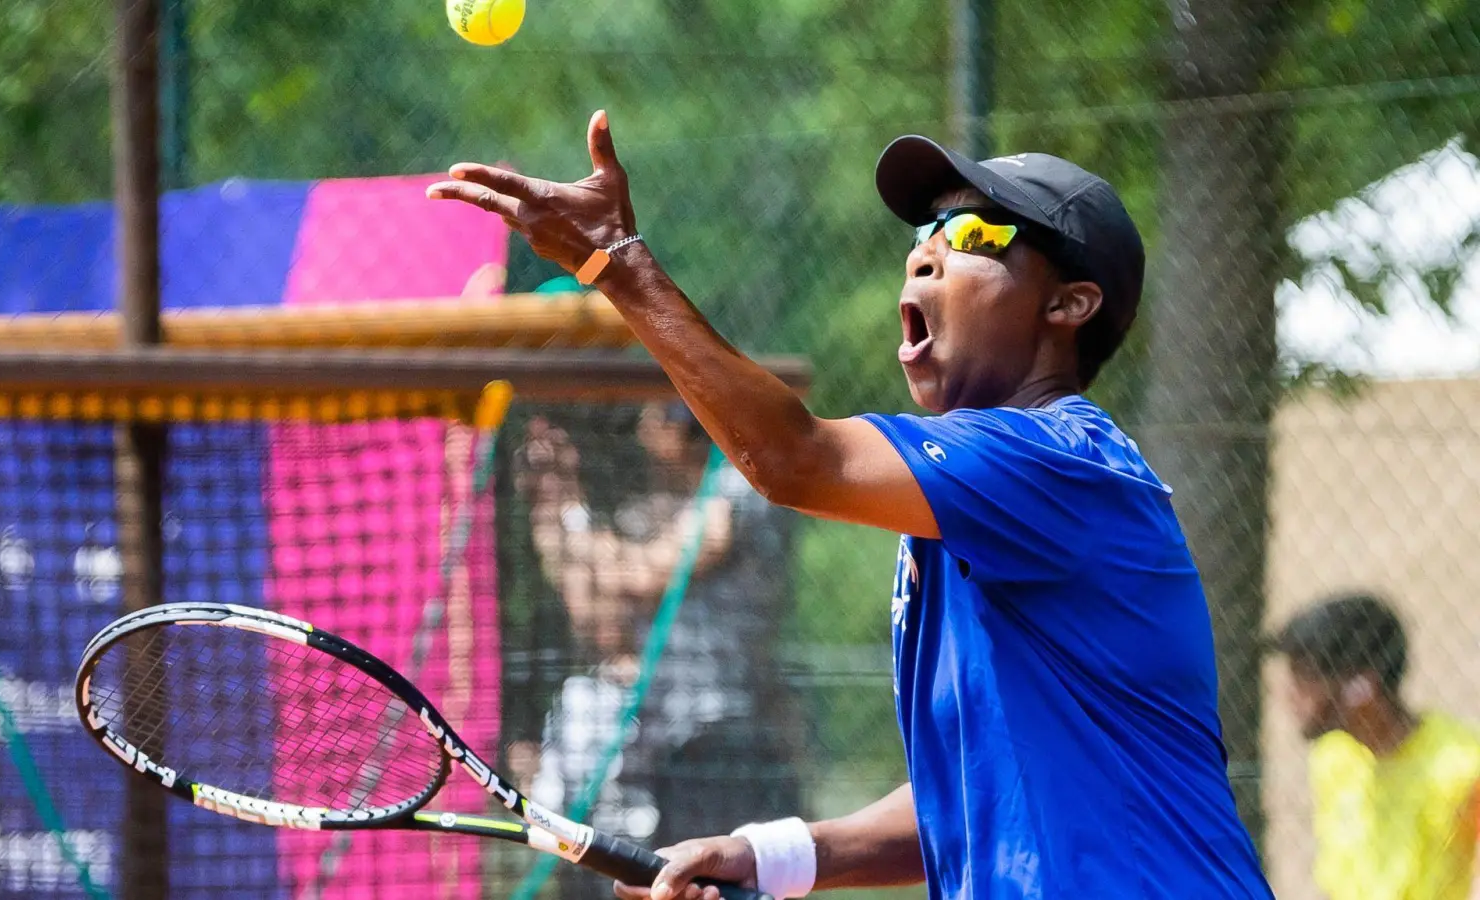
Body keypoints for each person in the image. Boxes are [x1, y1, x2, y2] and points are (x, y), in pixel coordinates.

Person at [429, 111, 1274, 899]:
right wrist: (771, 854)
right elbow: (965, 789)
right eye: (923, 234)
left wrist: (614, 258)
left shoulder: (1057, 460)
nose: (926, 254)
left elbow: (792, 457)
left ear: (1068, 304)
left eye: (975, 235)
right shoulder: (969, 513)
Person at [509, 402, 801, 899]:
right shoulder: (653, 510)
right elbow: (595, 610)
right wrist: (554, 502)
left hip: (725, 738)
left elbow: (641, 574)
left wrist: (572, 519)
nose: (643, 427)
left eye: (653, 416)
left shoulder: (739, 488)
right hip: (662, 745)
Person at [1272, 593, 1480, 900]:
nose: (1290, 693)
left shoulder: (1462, 767)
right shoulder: (1333, 759)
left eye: (1306, 676)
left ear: (1362, 687)